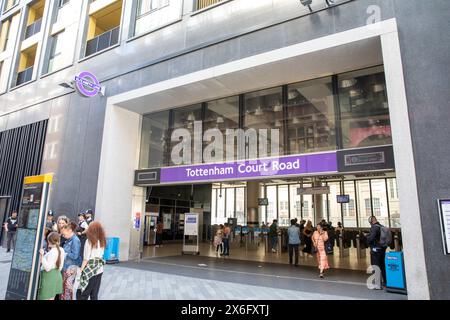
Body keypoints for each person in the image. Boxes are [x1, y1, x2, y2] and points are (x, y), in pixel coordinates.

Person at [76, 221, 106, 300]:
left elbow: (86, 259)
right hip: (99, 269)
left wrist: (80, 270)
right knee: (94, 294)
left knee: (83, 293)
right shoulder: (102, 240)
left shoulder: (89, 241)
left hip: (90, 270)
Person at [37, 232, 65, 300]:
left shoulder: (53, 251)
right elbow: (60, 267)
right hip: (56, 276)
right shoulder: (61, 249)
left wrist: (42, 256)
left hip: (48, 278)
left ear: (49, 241)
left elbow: (48, 268)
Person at [60, 222, 81, 300]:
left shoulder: (75, 240)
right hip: (67, 267)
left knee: (68, 290)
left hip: (71, 268)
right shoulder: (69, 239)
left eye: (64, 234)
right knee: (65, 290)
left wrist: (65, 254)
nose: (63, 235)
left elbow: (75, 256)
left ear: (69, 231)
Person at [367, 216, 387, 289]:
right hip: (382, 249)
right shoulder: (381, 226)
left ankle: (377, 284)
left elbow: (371, 238)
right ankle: (385, 282)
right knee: (382, 265)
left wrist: (367, 238)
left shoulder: (374, 227)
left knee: (376, 266)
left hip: (375, 249)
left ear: (371, 221)